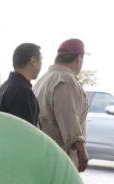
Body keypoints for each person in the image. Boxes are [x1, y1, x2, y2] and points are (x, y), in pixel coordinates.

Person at [34, 39, 90, 172]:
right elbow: (69, 119)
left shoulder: (45, 78)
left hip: (44, 154)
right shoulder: (65, 80)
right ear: (78, 59)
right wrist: (81, 151)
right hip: (59, 159)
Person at [0, 43, 42, 125]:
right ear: (33, 61)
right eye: (41, 60)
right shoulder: (22, 92)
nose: (41, 64)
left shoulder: (0, 90)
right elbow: (24, 130)